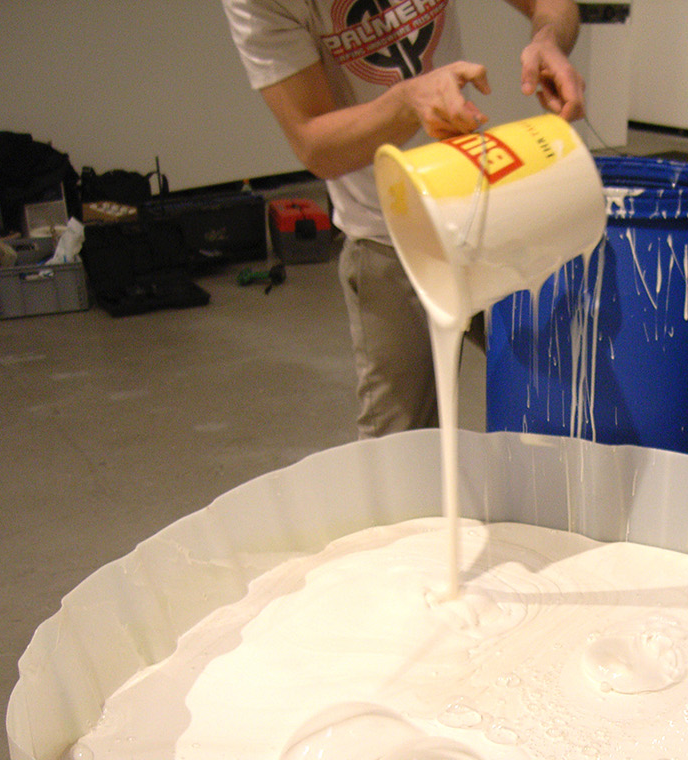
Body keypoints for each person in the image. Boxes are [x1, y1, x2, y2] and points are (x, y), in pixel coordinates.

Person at [221, 0, 587, 437]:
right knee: (400, 446)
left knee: (573, 389)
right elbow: (315, 145)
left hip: (481, 204)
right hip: (388, 232)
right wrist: (406, 102)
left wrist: (548, 38)